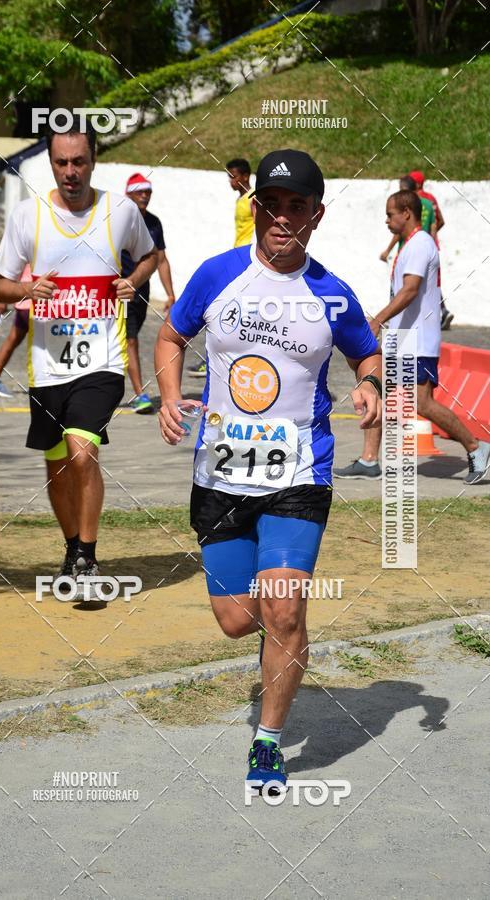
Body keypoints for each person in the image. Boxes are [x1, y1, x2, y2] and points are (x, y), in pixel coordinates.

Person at [155, 149, 382, 792]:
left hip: (299, 474)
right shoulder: (215, 275)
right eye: (271, 205)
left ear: (317, 215)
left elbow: (367, 354)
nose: (283, 218)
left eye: (298, 207)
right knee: (237, 619)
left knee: (282, 611)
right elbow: (171, 337)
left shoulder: (332, 294)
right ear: (255, 207)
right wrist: (171, 397)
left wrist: (368, 387)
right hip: (221, 473)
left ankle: (268, 744)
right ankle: (283, 634)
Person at [0, 124, 157, 592]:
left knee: (83, 452)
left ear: (93, 160)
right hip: (47, 366)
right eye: (62, 163)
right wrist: (26, 288)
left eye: (78, 161)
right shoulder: (29, 216)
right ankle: (70, 547)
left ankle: (87, 555)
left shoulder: (120, 210)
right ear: (51, 164)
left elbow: (148, 256)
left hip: (102, 360)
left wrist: (134, 280)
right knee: (58, 464)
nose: (70, 172)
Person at [335, 190, 490, 484]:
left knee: (421, 402)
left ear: (407, 212)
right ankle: (369, 460)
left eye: (390, 214)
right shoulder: (410, 245)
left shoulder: (420, 244)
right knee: (375, 389)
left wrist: (377, 320)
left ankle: (476, 446)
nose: (386, 220)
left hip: (418, 340)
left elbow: (410, 290)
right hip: (403, 338)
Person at [188, 157, 254, 380]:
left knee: (225, 308)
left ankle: (214, 359)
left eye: (234, 176)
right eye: (229, 176)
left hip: (246, 261)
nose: (231, 181)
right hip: (237, 258)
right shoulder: (241, 199)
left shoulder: (253, 199)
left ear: (245, 176)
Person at [120, 172, 175, 414]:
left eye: (148, 191)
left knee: (127, 339)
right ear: (128, 193)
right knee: (130, 339)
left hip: (143, 290)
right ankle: (140, 394)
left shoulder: (154, 223)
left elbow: (161, 260)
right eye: (140, 191)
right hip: (120, 291)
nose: (145, 195)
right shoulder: (118, 220)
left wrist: (170, 294)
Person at [410, 169, 453, 329]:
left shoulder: (413, 200)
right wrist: (431, 237)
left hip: (415, 245)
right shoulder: (431, 199)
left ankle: (422, 318)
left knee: (412, 282)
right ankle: (442, 311)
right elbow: (440, 221)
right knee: (432, 281)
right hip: (432, 245)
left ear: (416, 183)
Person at [379, 175, 435, 262]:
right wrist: (432, 246)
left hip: (406, 247)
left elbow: (398, 230)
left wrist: (388, 250)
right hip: (424, 247)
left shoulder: (405, 206)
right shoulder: (428, 204)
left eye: (401, 190)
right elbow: (434, 227)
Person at [0, 306, 29, 399]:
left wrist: (3, 302)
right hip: (37, 307)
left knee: (12, 339)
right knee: (43, 344)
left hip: (23, 306)